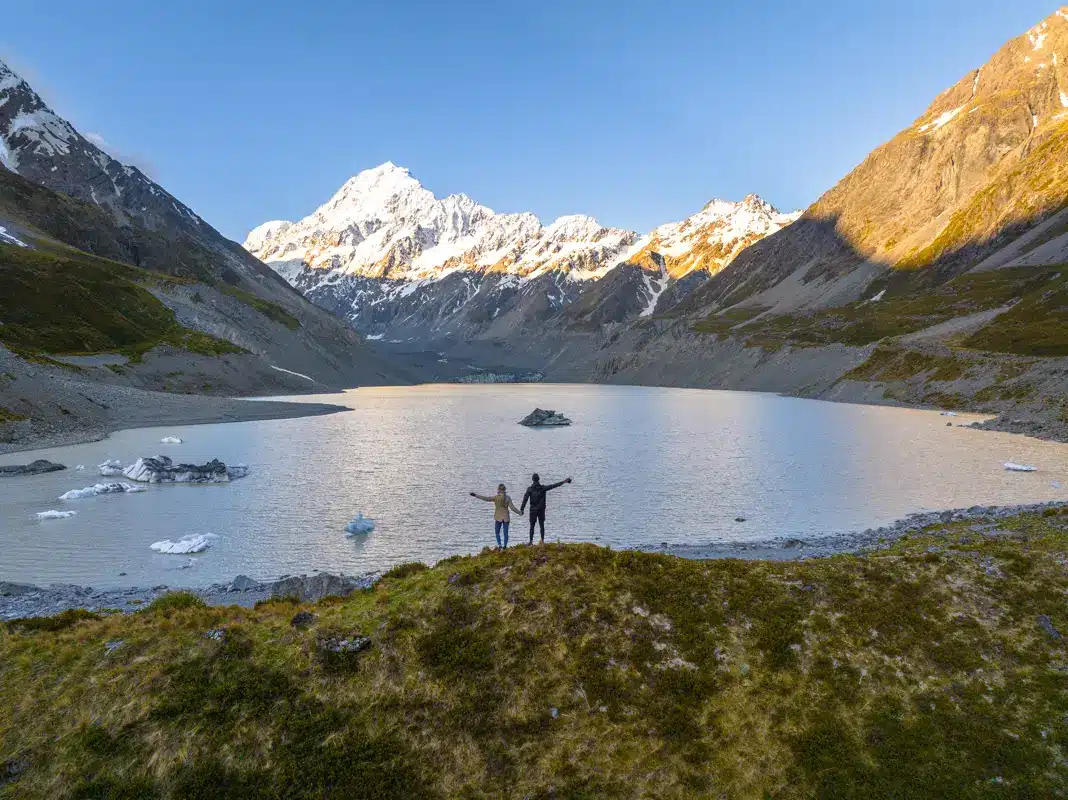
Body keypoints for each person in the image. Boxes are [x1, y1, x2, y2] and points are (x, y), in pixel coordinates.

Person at [520, 473, 572, 545]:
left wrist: (521, 509)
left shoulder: (530, 489)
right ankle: (542, 541)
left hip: (533, 510)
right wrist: (564, 481)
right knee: (542, 525)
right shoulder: (543, 488)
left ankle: (531, 542)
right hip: (541, 510)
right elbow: (554, 485)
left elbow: (525, 499)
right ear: (538, 479)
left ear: (532, 479)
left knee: (532, 526)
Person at [470, 483, 522, 549]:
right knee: (505, 533)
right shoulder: (508, 498)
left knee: (497, 533)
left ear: (498, 489)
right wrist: (519, 513)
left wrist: (475, 495)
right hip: (506, 517)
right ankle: (505, 546)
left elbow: (486, 499)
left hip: (498, 517)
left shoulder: (496, 497)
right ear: (505, 489)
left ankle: (500, 546)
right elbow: (512, 508)